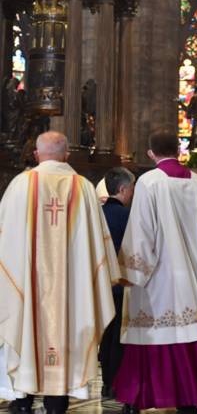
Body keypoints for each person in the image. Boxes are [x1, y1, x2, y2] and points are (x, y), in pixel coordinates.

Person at [0, 132, 120, 414]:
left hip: (28, 290)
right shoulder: (84, 188)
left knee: (25, 328)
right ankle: (58, 402)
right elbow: (98, 247)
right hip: (71, 291)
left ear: (37, 154)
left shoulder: (20, 186)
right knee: (69, 328)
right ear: (67, 154)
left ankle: (24, 398)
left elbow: (5, 238)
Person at [113, 130, 197, 413]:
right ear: (179, 150)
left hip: (159, 278)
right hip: (192, 274)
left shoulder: (149, 182)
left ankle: (138, 398)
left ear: (151, 153)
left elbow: (141, 232)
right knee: (189, 338)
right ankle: (194, 399)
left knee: (154, 337)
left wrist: (132, 272)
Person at [98, 167, 135, 399]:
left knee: (105, 335)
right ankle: (115, 383)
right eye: (131, 189)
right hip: (121, 283)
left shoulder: (95, 213)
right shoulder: (128, 215)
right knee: (119, 338)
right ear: (122, 189)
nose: (132, 194)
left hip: (99, 283)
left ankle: (105, 383)